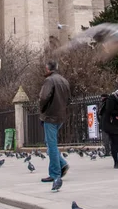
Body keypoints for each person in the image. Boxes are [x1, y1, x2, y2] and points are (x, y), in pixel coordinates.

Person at [39, 60, 71, 189]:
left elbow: (43, 98)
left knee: (51, 145)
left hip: (50, 117)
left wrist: (43, 110)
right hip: (60, 117)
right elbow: (69, 99)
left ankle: (55, 173)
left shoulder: (49, 81)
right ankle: (62, 163)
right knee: (50, 143)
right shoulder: (64, 81)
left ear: (47, 69)